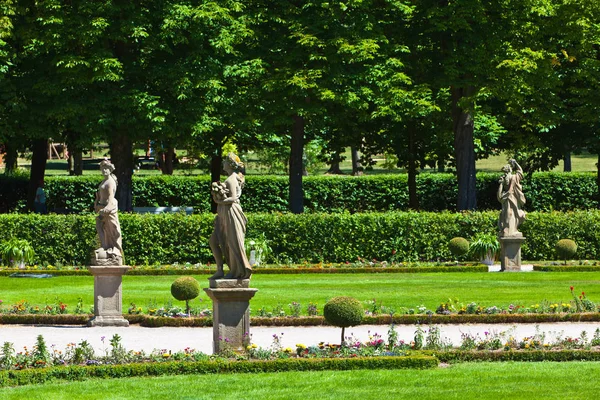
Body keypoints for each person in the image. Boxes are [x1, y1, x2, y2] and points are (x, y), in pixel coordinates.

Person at [209, 153, 252, 279]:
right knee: (214, 241)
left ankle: (236, 271)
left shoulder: (232, 179)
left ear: (230, 164)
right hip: (225, 212)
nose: (223, 163)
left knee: (233, 242)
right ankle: (220, 270)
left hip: (231, 212)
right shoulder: (231, 178)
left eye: (225, 162)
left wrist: (219, 201)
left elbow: (233, 198)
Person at [94, 159, 123, 264]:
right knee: (101, 227)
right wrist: (97, 204)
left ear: (110, 169)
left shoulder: (110, 182)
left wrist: (106, 209)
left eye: (106, 168)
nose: (104, 170)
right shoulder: (104, 181)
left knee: (112, 231)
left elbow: (111, 198)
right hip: (102, 209)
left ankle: (113, 251)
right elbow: (101, 196)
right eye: (102, 168)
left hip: (109, 211)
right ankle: (105, 247)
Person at [497, 159, 526, 237]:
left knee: (510, 214)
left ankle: (510, 230)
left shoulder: (511, 177)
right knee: (508, 214)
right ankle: (509, 230)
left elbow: (520, 172)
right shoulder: (511, 177)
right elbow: (520, 171)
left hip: (510, 198)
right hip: (509, 198)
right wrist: (516, 163)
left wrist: (515, 163)